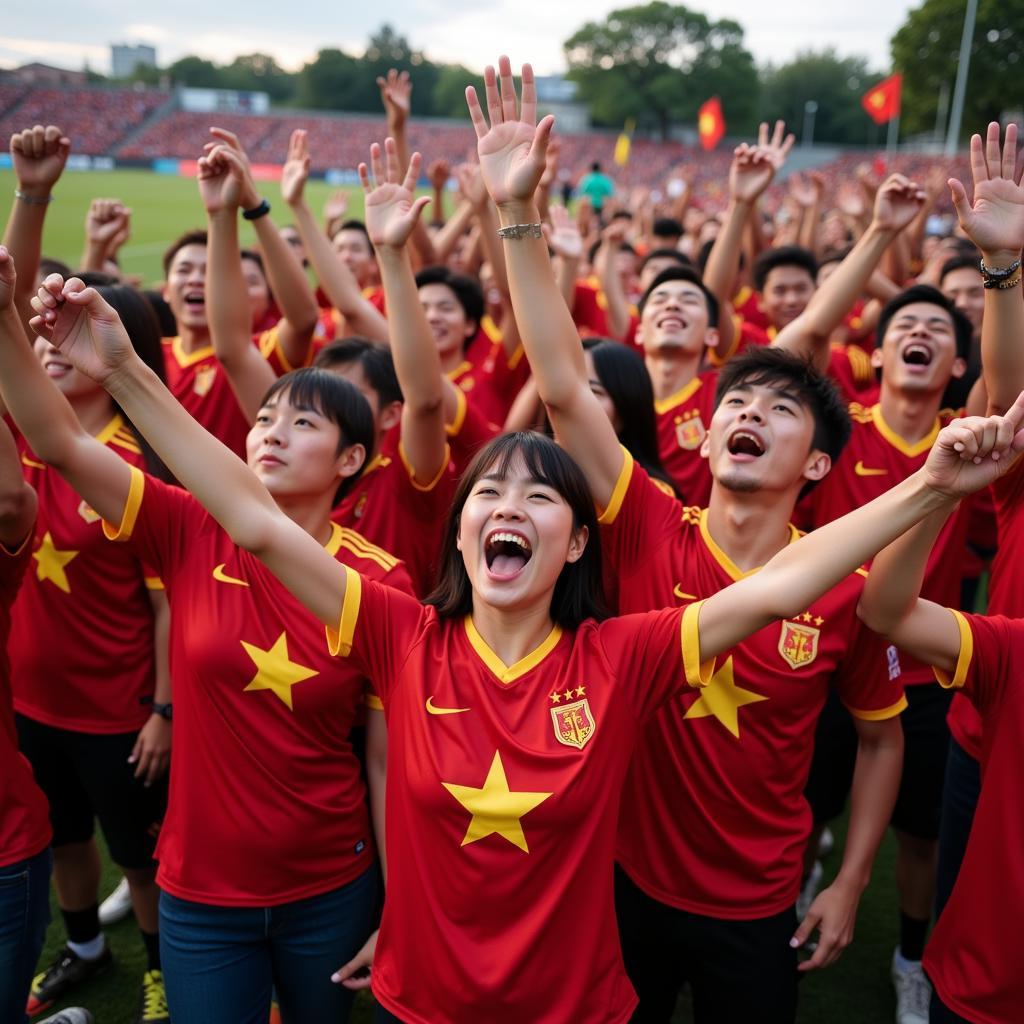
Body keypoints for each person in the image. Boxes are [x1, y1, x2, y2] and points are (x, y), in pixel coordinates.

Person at [27, 55, 1024, 1024]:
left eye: (541, 494)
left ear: (580, 543)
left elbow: (778, 585)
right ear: (457, 534)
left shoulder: (622, 655)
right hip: (422, 999)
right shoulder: (398, 631)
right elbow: (245, 514)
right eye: (487, 488)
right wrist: (122, 371)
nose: (507, 500)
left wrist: (928, 485)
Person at [474, 68, 906, 1023]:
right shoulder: (643, 516)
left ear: (822, 466)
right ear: (703, 439)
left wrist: (848, 879)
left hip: (755, 905)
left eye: (780, 408)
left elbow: (881, 740)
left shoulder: (842, 584)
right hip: (618, 880)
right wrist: (517, 212)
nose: (748, 412)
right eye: (733, 405)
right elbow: (559, 376)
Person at [0, 241, 414, 1024]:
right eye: (264, 417)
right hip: (200, 889)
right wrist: (3, 321)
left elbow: (387, 763)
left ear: (353, 458)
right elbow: (58, 444)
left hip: (330, 884)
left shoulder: (379, 582)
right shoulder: (189, 526)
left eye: (304, 422)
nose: (272, 432)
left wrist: (398, 903)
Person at [3, 281, 173, 1024]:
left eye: (67, 332)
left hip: (117, 710)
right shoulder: (21, 444)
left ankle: (162, 972)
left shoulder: (132, 467)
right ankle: (84, 947)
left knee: (137, 860)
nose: (51, 346)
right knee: (66, 838)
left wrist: (163, 710)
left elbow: (168, 603)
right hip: (31, 702)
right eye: (43, 332)